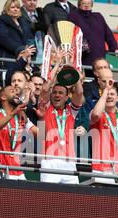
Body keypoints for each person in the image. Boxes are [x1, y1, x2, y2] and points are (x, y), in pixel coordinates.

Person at [37, 49, 84, 184]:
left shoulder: (71, 111)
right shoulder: (46, 108)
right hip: (49, 160)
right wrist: (57, 64)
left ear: (66, 96)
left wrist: (72, 69)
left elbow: (79, 92)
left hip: (69, 161)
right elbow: (45, 89)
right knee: (49, 197)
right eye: (55, 93)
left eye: (61, 93)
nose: (57, 95)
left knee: (73, 198)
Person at [0, 85, 37, 180]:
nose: (16, 93)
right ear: (3, 97)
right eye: (12, 91)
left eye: (17, 91)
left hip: (18, 169)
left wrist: (44, 116)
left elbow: (40, 134)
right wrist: (12, 114)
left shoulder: (21, 117)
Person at [68, 0, 118, 70]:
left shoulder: (98, 17)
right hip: (83, 57)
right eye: (84, 3)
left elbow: (108, 34)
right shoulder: (74, 16)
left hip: (99, 56)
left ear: (91, 5)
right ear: (79, 5)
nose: (86, 5)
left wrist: (114, 48)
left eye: (89, 3)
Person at [0, 0, 33, 71]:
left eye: (18, 7)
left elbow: (30, 38)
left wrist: (30, 50)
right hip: (9, 59)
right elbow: (2, 38)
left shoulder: (24, 22)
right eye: (13, 7)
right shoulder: (1, 21)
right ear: (7, 8)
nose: (16, 9)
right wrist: (21, 49)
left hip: (25, 59)